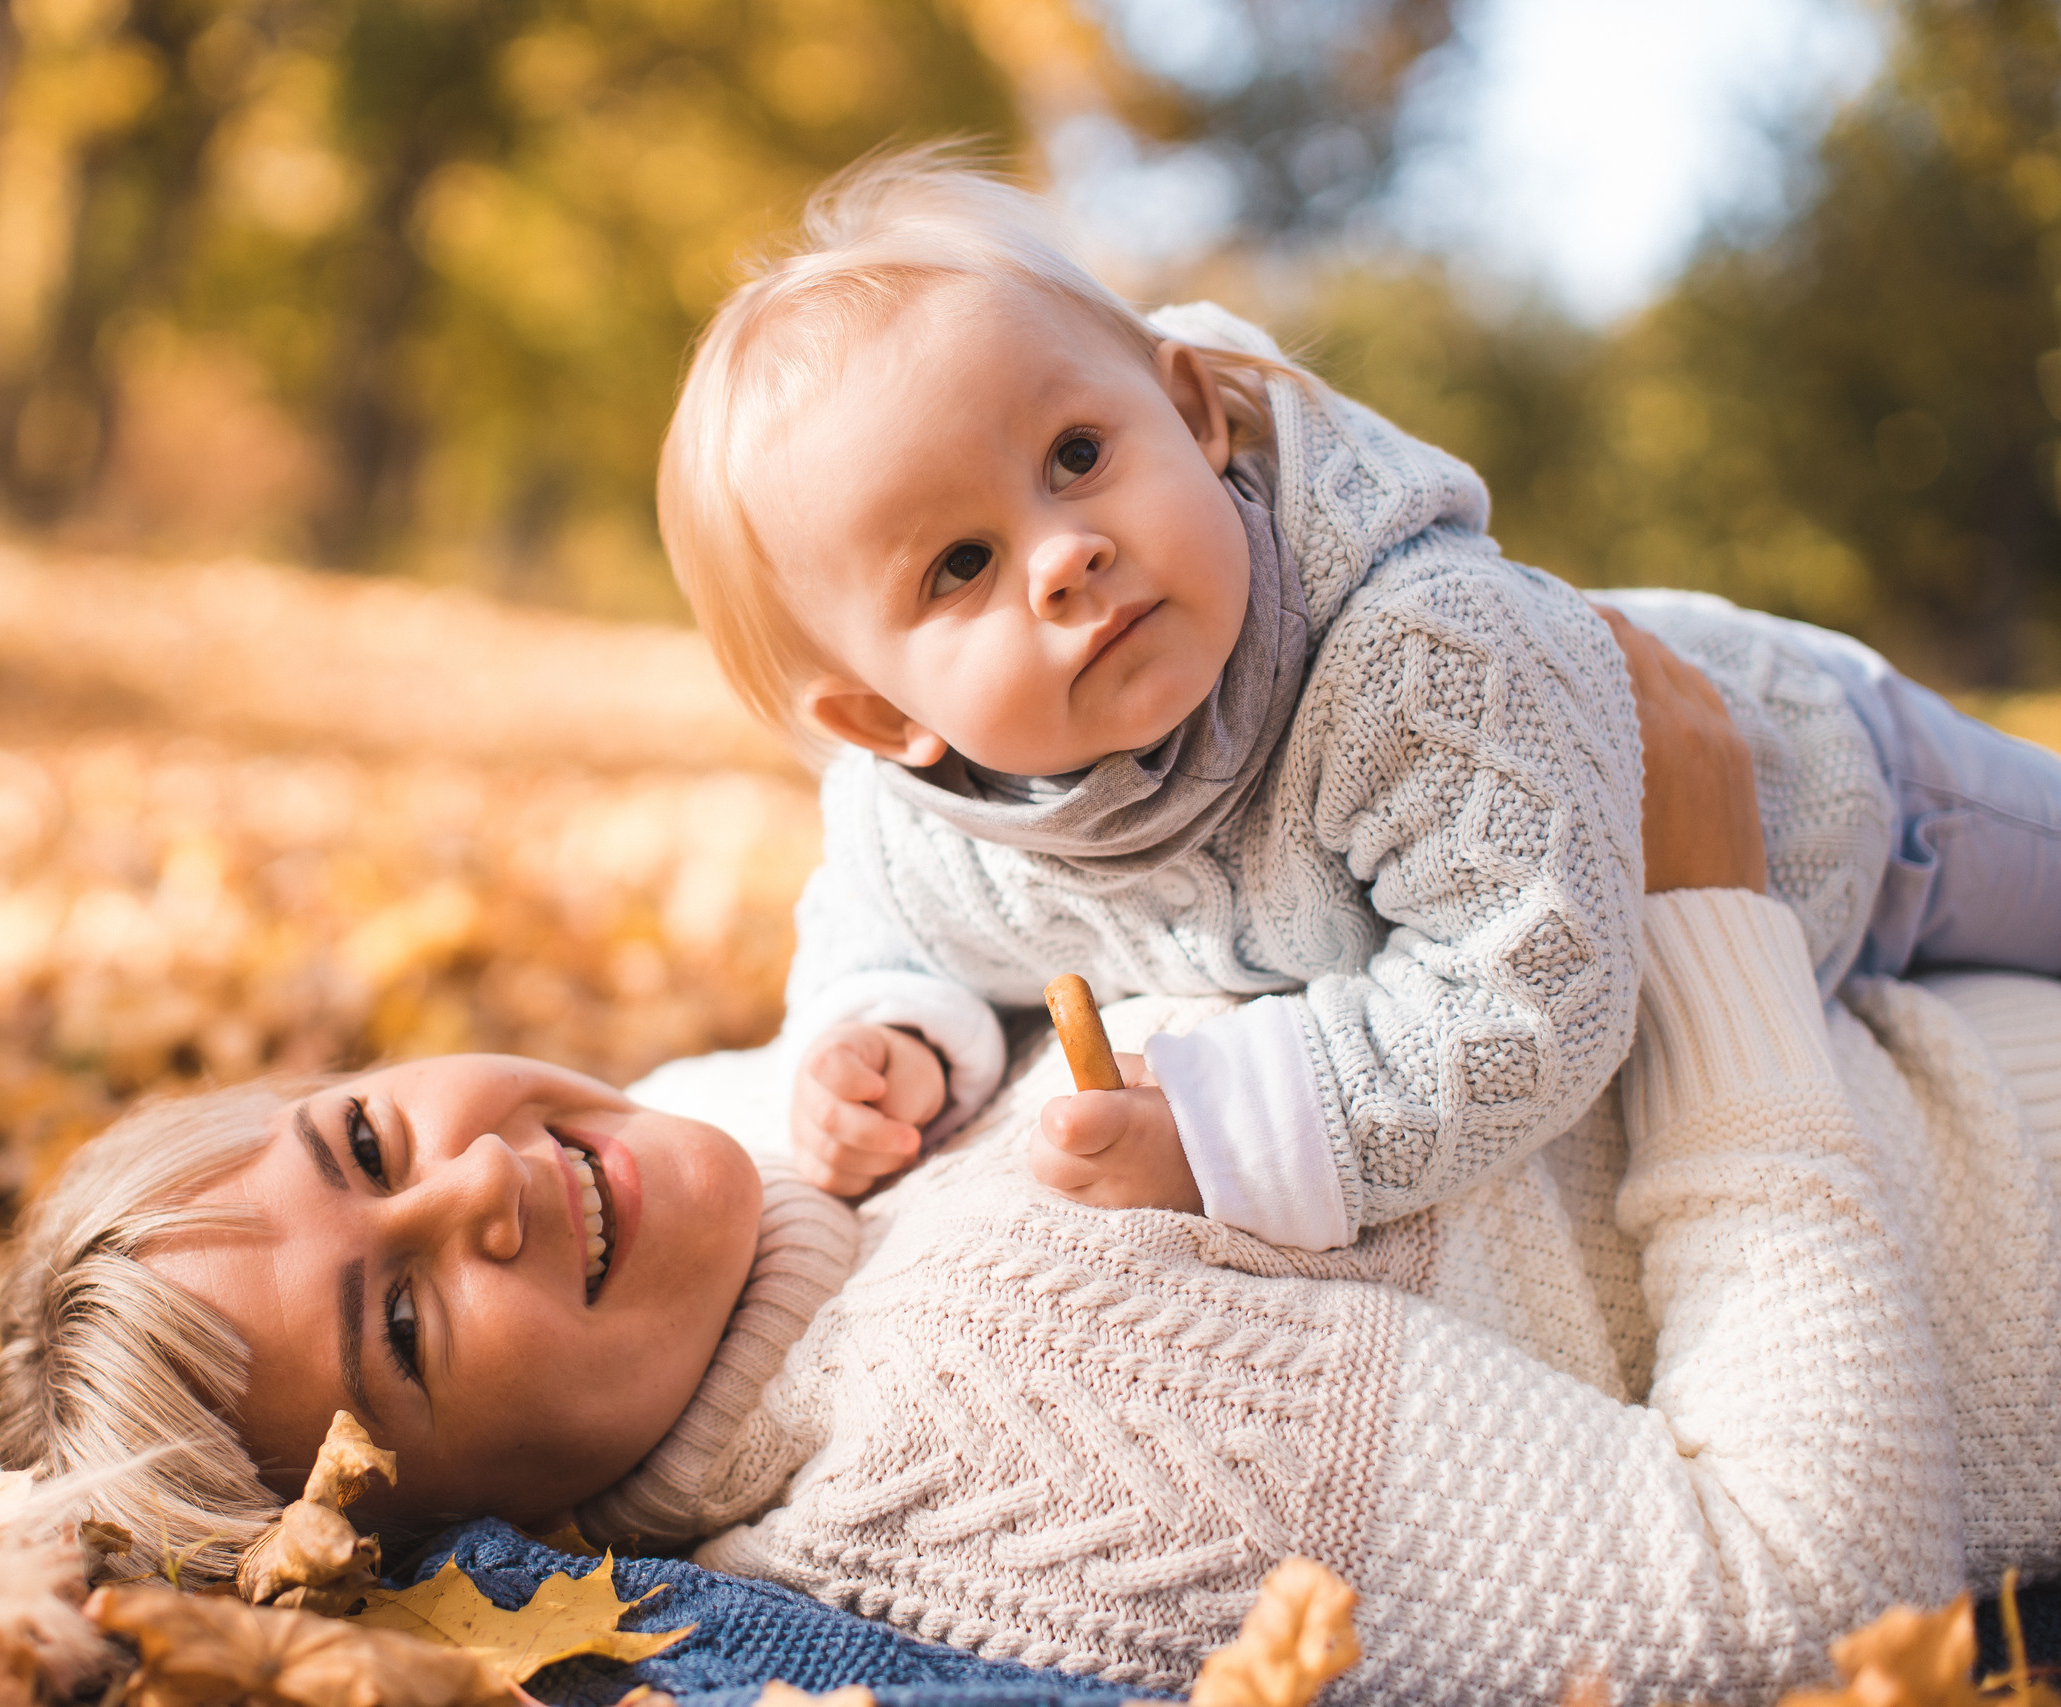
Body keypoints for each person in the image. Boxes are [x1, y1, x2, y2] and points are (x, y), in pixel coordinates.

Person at [0, 624, 2061, 1703]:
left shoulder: (730, 1152)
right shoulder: (983, 1419)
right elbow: (1785, 1590)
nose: (478, 1185)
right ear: (455, 1519)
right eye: (407, 1315)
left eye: (366, 1135)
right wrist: (1700, 922)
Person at [653, 148, 2061, 1247]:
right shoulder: (931, 825)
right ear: (889, 723)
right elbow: (882, 922)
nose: (1065, 552)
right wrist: (884, 1037)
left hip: (1850, 798)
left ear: (1195, 416)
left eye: (1078, 453)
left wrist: (1228, 1138)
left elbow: (1532, 983)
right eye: (961, 563)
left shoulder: (1412, 656)